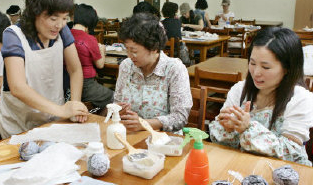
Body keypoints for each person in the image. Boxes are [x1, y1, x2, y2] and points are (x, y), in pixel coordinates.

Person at [209, 27, 313, 166]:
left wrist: (247, 128)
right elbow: (223, 142)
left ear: (287, 68)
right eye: (252, 63)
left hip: (280, 176)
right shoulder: (240, 90)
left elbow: (290, 153)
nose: (256, 72)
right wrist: (226, 128)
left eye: (266, 67)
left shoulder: (300, 98)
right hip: (239, 165)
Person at [0, 0, 88, 139]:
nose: (59, 25)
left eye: (65, 18)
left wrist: (73, 106)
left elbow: (75, 70)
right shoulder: (13, 35)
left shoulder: (61, 30)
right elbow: (18, 87)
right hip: (19, 121)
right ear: (35, 12)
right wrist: (62, 110)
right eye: (53, 19)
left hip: (53, 118)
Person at [114, 13, 192, 132]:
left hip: (164, 140)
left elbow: (180, 117)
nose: (129, 56)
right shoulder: (126, 66)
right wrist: (119, 110)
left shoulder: (174, 69)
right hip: (131, 135)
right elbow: (117, 102)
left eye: (134, 51)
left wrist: (144, 124)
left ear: (154, 47)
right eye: (127, 49)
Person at [71, 4, 113, 110]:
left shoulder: (66, 35)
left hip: (67, 84)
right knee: (112, 96)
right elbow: (100, 65)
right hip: (86, 85)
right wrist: (102, 50)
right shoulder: (89, 39)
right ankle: (101, 120)